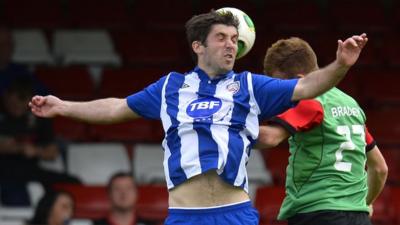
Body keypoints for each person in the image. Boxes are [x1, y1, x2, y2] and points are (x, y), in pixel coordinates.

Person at [29, 10, 368, 225]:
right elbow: (117, 107)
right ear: (198, 46)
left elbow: (307, 85)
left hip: (235, 213)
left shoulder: (250, 86)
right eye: (221, 38)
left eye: (235, 40)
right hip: (185, 216)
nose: (230, 46)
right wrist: (64, 106)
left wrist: (341, 65)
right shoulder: (169, 88)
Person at [258, 37, 388, 225]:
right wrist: (363, 203)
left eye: (281, 86)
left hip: (317, 212)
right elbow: (380, 168)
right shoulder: (350, 104)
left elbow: (269, 138)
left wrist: (222, 125)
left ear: (299, 80)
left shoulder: (308, 100)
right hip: (358, 217)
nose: (279, 95)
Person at [0, 77, 80, 206]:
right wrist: (18, 148)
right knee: (17, 198)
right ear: (6, 96)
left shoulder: (38, 117)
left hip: (29, 170)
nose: (18, 104)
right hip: (4, 170)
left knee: (73, 182)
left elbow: (52, 152)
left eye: (23, 99)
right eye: (15, 99)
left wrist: (35, 151)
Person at [0, 27, 48, 96]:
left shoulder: (22, 73)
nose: (3, 48)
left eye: (7, 43)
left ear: (12, 46)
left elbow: (43, 97)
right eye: (0, 43)